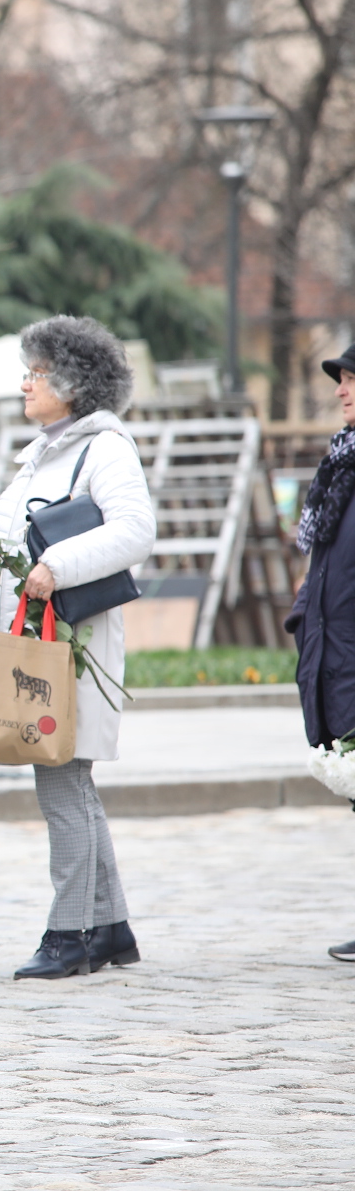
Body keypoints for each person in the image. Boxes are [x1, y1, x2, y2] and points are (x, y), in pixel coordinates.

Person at [0, 316, 155, 980]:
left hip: (76, 646)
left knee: (63, 786)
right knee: (72, 786)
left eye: (36, 373)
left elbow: (134, 533)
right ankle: (112, 927)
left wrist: (58, 566)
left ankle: (72, 934)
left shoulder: (106, 449)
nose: (25, 384)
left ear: (72, 381)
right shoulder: (38, 456)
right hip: (33, 650)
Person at [293, 345, 355, 960]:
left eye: (352, 380)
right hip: (336, 649)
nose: (341, 390)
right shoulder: (341, 465)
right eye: (341, 380)